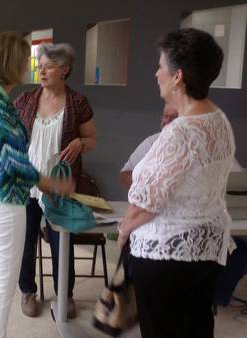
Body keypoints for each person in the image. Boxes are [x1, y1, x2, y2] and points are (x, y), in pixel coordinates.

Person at [117, 28, 236, 338]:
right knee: (196, 327)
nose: (156, 74)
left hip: (167, 259)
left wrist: (123, 232)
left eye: (161, 67)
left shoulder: (180, 134)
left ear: (178, 76)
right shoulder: (219, 121)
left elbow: (145, 205)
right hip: (205, 252)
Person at [0, 32, 73, 338]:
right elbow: (16, 164)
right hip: (3, 202)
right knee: (3, 284)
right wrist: (51, 183)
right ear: (11, 64)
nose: (32, 65)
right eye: (26, 60)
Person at [13, 43, 96, 318]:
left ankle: (66, 295)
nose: (41, 70)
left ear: (65, 69)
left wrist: (80, 143)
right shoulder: (26, 100)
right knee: (26, 240)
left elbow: (92, 140)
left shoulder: (78, 103)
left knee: (62, 242)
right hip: (28, 184)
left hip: (59, 186)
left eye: (48, 65)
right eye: (40, 65)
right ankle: (27, 290)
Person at [119, 104, 178, 189]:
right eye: (166, 116)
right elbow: (123, 176)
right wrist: (149, 181)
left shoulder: (196, 144)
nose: (168, 121)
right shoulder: (151, 142)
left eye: (175, 117)